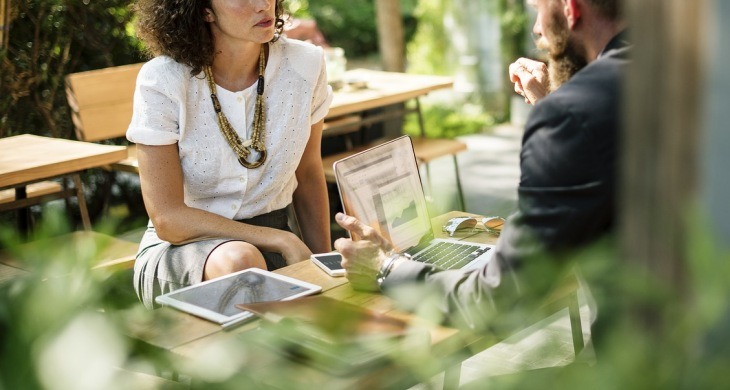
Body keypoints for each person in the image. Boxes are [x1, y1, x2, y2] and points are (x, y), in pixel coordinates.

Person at [334, 0, 629, 330]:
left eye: (538, 9)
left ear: (571, 9)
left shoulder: (573, 116)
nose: (536, 28)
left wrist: (386, 268)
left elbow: (493, 300)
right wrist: (554, 106)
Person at [128, 0, 332, 308]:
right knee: (242, 261)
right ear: (204, 10)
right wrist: (278, 238)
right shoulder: (163, 80)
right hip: (184, 249)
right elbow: (168, 219)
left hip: (279, 243)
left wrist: (324, 269)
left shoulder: (306, 65)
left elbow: (309, 173)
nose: (264, 4)